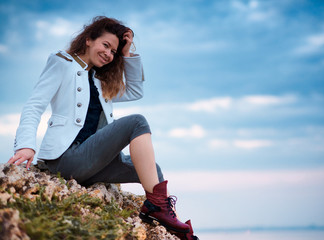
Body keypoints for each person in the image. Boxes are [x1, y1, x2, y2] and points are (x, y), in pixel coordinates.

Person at [8, 16, 198, 239]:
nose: (109, 54)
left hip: (92, 164)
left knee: (152, 170)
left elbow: (136, 92)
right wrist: (26, 145)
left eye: (113, 52)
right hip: (66, 158)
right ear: (88, 39)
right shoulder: (62, 63)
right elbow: (34, 105)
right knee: (137, 122)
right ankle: (159, 209)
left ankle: (169, 224)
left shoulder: (101, 81)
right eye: (105, 45)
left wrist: (127, 55)